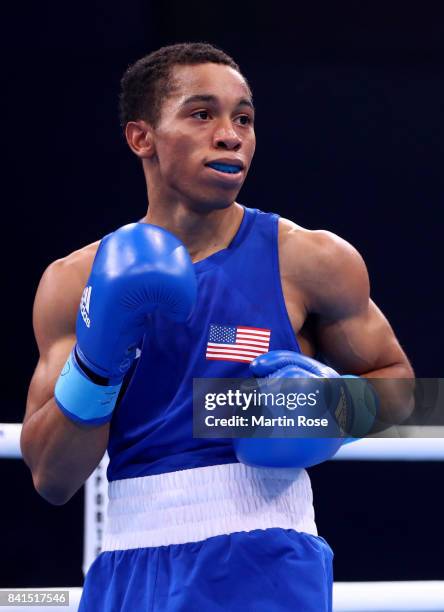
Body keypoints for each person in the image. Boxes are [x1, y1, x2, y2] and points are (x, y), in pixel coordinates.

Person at [21, 42, 414, 611]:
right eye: (202, 113)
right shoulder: (72, 281)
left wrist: (331, 409)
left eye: (244, 118)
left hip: (267, 559)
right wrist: (97, 364)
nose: (231, 135)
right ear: (142, 137)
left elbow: (402, 386)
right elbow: (51, 479)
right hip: (130, 565)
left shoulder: (309, 260)